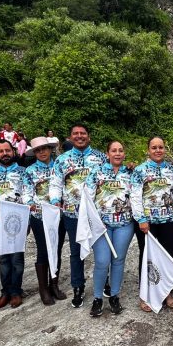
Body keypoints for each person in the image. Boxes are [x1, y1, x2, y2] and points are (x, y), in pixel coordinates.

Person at [50, 123, 107, 308]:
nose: (80, 136)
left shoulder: (101, 157)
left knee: (101, 250)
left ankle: (104, 280)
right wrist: (55, 200)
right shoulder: (62, 160)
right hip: (71, 213)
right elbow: (56, 183)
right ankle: (78, 286)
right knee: (76, 252)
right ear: (70, 137)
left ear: (88, 137)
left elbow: (109, 179)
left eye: (83, 133)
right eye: (76, 134)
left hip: (97, 213)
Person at [85, 140, 134, 317]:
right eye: (114, 151)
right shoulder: (96, 173)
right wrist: (94, 221)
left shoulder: (130, 173)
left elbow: (135, 196)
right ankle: (98, 298)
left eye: (121, 150)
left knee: (118, 260)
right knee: (102, 262)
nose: (118, 153)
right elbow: (88, 199)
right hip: (101, 227)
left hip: (124, 225)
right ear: (107, 154)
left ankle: (114, 295)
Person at [131, 136, 173, 312]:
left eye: (160, 147)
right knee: (147, 257)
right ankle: (145, 295)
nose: (158, 150)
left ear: (164, 149)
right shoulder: (140, 170)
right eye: (154, 147)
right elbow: (135, 196)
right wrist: (141, 219)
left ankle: (166, 293)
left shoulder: (171, 170)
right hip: (147, 222)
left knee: (168, 255)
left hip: (167, 220)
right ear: (148, 150)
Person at [0, 139, 31, 310]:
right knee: (4, 259)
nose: (5, 154)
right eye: (1, 151)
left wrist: (26, 204)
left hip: (18, 222)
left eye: (7, 150)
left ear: (13, 152)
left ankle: (16, 292)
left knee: (17, 259)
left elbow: (28, 193)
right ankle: (5, 292)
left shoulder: (24, 172)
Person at [24, 137, 66, 305]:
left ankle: (54, 284)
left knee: (57, 248)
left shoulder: (60, 166)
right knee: (43, 250)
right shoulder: (30, 171)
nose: (42, 152)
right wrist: (30, 203)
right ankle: (43, 288)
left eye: (44, 149)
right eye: (38, 150)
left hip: (59, 214)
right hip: (40, 216)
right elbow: (27, 191)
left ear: (50, 149)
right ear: (34, 153)